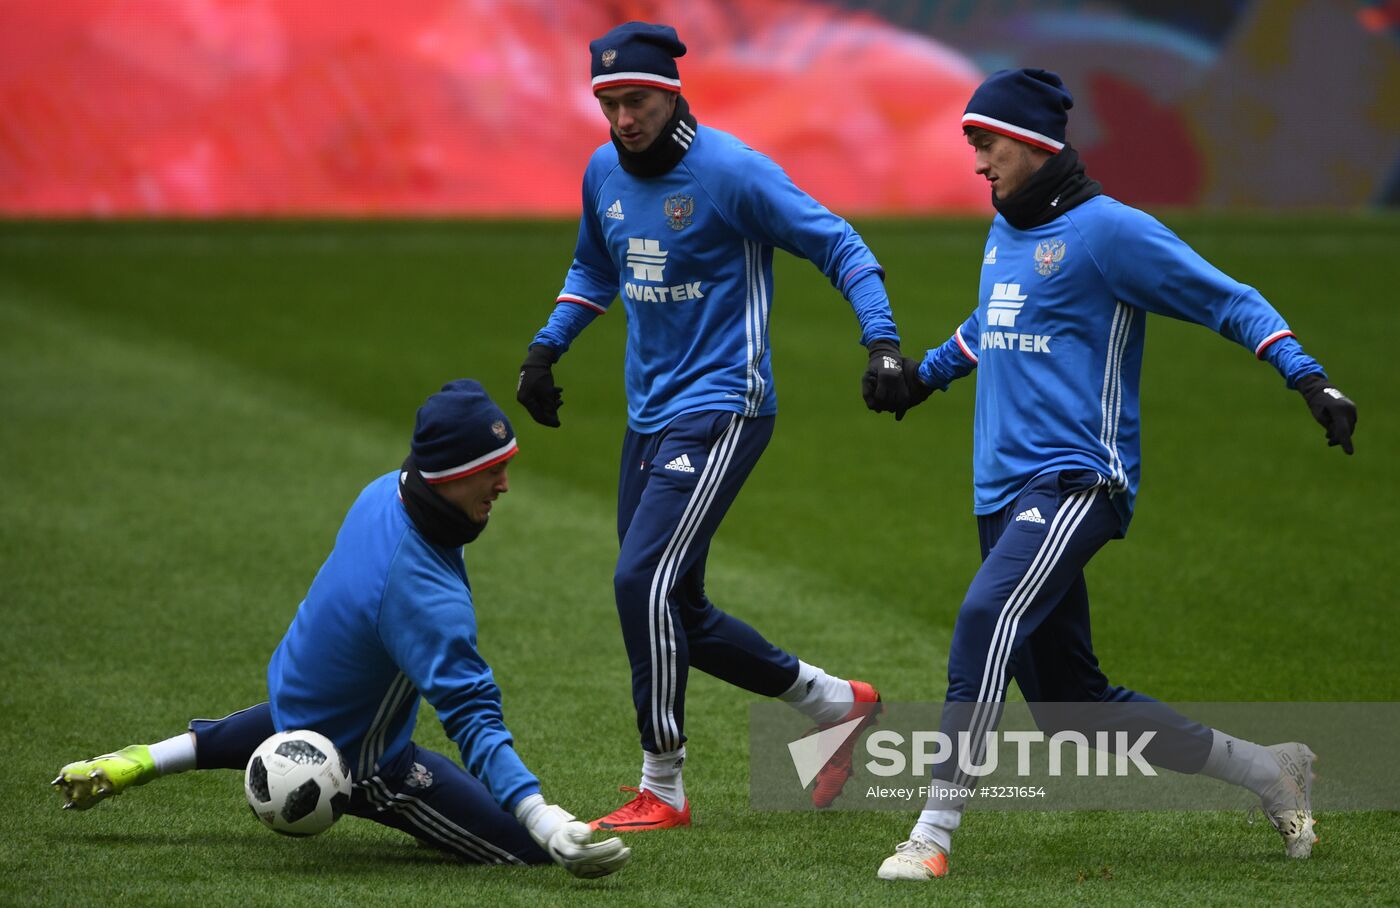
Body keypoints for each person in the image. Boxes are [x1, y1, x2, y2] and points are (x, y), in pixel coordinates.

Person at [874, 68, 1358, 881]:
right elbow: (995, 320)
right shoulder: (1008, 227)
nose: (978, 163)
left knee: (982, 619)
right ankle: (1269, 770)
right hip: (1001, 492)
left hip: (1077, 482)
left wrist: (1308, 377)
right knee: (1074, 709)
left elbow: (1228, 299)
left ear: (1031, 145)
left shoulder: (1110, 233)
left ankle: (931, 834)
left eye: (986, 144)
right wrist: (922, 377)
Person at [514, 21, 903, 830]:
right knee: (676, 606)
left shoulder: (731, 173)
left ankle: (664, 784)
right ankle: (836, 704)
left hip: (725, 407)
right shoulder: (603, 172)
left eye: (639, 100)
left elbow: (841, 245)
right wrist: (546, 350)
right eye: (610, 102)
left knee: (638, 582)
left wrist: (883, 341)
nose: (624, 117)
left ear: (672, 92)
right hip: (649, 415)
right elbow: (596, 264)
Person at [52, 380, 631, 880]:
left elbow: (289, 719)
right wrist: (541, 816)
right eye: (492, 471)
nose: (504, 485)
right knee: (529, 853)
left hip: (297, 700)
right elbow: (473, 714)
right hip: (364, 762)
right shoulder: (422, 595)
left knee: (285, 719)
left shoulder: (386, 491)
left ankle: (138, 760)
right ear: (447, 476)